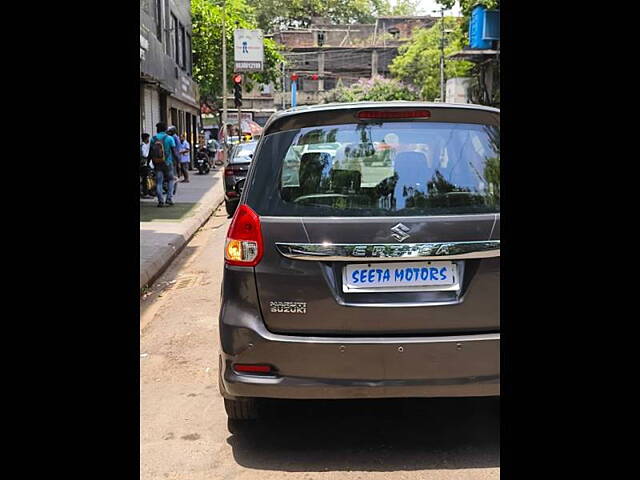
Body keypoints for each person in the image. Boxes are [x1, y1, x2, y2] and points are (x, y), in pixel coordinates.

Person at [149, 122, 176, 207]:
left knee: (159, 182)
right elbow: (174, 152)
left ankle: (160, 201)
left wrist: (148, 161)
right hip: (168, 163)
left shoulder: (153, 139)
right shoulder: (170, 138)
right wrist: (178, 161)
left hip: (157, 163)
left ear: (157, 129)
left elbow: (150, 152)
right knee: (171, 180)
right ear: (165, 129)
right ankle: (169, 199)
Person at [140, 133, 153, 198]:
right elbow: (145, 155)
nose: (149, 139)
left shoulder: (145, 145)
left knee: (147, 178)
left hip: (146, 165)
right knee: (145, 179)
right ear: (146, 138)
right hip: (144, 165)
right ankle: (145, 193)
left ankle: (147, 192)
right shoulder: (143, 145)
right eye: (148, 138)